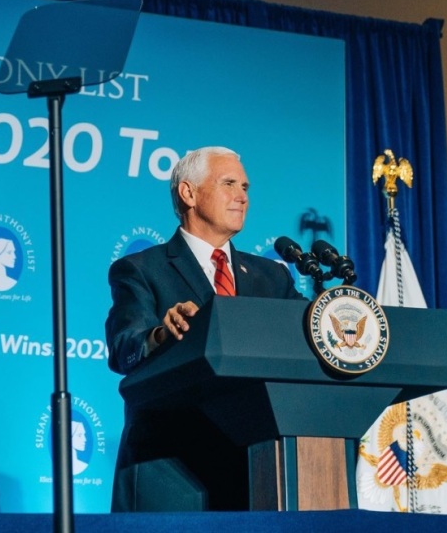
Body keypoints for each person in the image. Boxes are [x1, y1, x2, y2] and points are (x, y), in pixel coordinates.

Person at [105, 146, 306, 511]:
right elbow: (124, 347)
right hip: (172, 470)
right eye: (229, 184)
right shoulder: (140, 269)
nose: (242, 196)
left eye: (245, 187)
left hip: (259, 469)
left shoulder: (272, 276)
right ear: (189, 193)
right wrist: (162, 335)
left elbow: (307, 335)